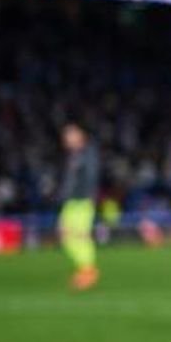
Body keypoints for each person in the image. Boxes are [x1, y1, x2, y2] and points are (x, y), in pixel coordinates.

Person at [58, 123, 101, 291]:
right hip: (70, 202)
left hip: (82, 202)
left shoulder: (88, 153)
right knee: (66, 236)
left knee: (81, 236)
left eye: (70, 135)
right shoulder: (74, 155)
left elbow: (91, 176)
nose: (67, 139)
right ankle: (84, 268)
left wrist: (90, 197)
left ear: (80, 136)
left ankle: (88, 271)